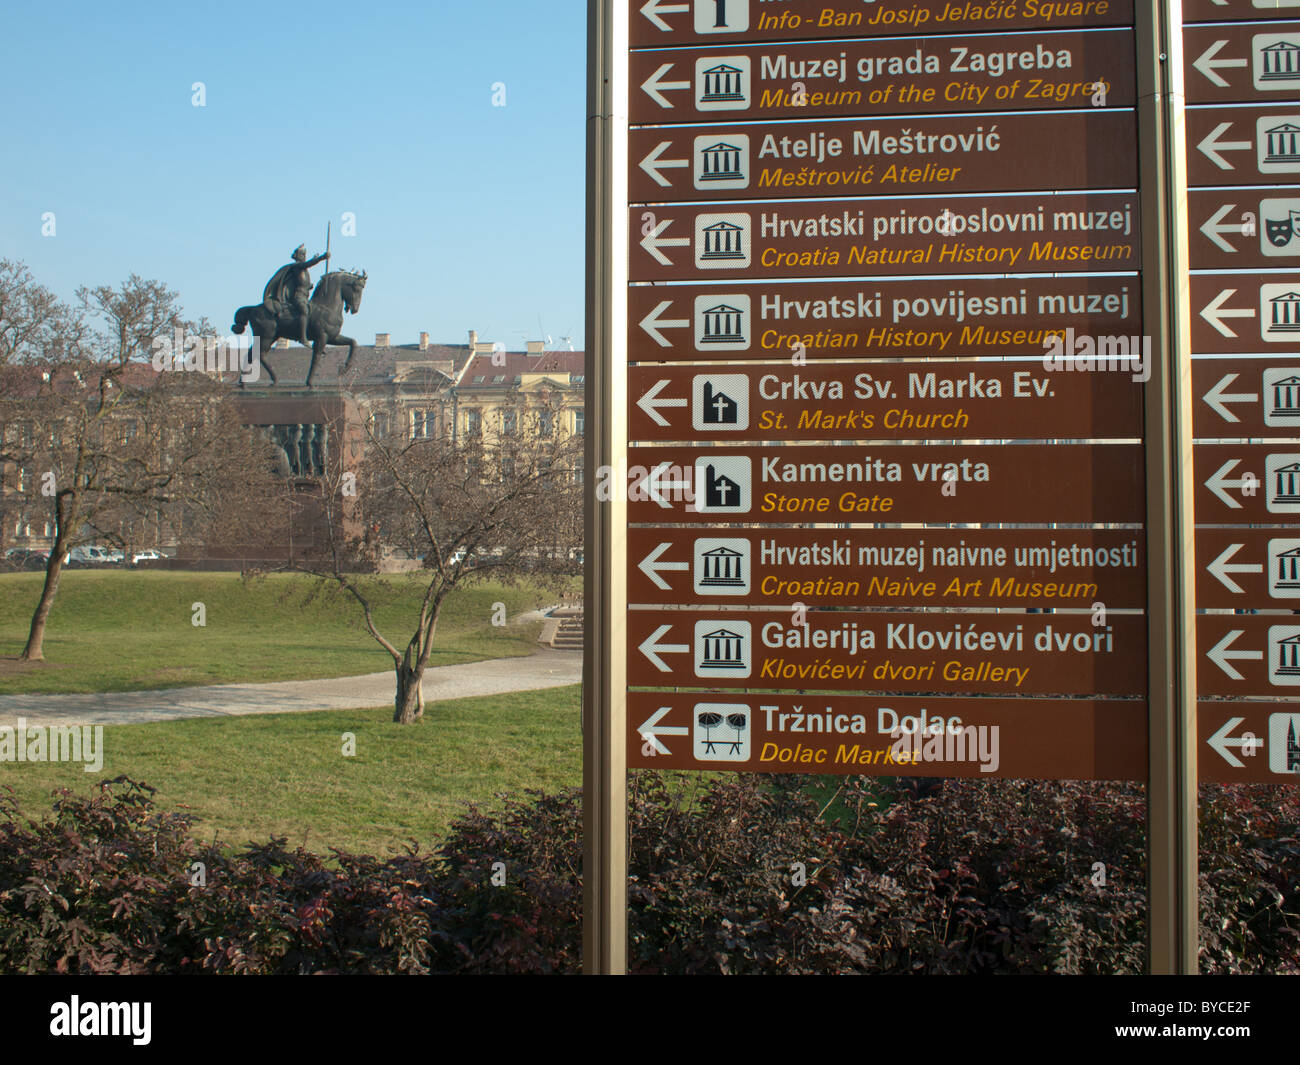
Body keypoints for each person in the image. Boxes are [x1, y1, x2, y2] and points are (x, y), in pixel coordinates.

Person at [262, 244, 330, 346]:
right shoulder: (297, 266)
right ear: (298, 256)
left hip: (305, 297)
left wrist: (309, 286)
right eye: (302, 254)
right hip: (298, 297)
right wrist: (322, 258)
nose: (304, 256)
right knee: (304, 311)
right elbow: (308, 264)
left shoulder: (304, 270)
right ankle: (303, 337)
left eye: (304, 254)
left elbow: (301, 283)